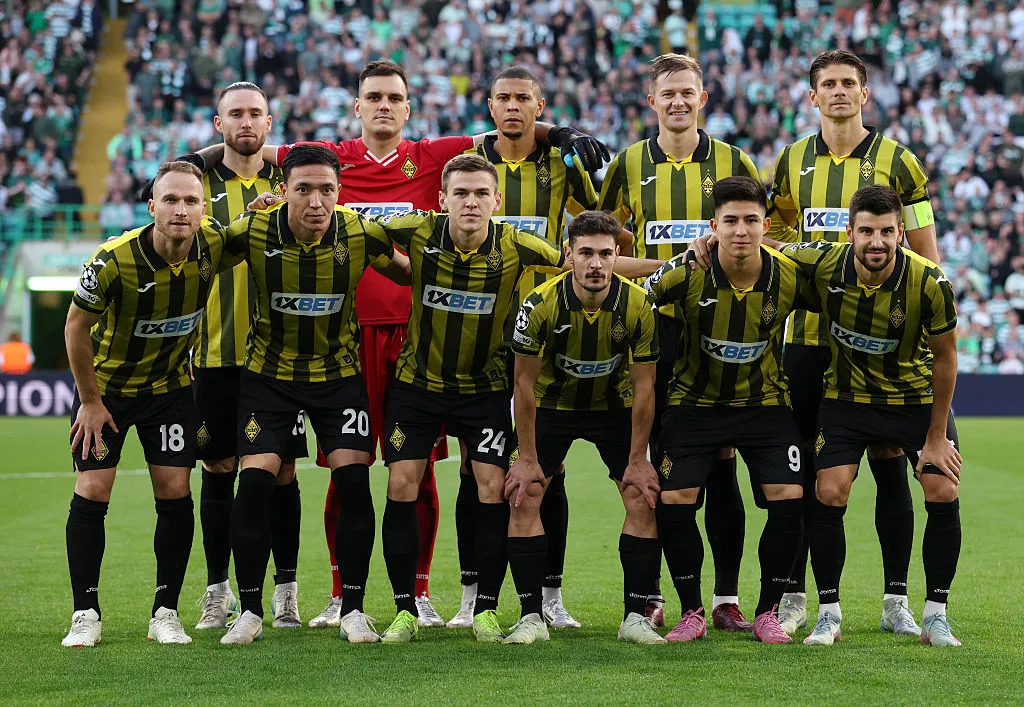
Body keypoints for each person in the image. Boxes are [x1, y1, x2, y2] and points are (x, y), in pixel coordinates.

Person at [194, 60, 609, 628]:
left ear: (408, 108)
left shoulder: (435, 155)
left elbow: (509, 127)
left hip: (414, 332)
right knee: (358, 468)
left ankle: (421, 591)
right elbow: (252, 143)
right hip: (345, 335)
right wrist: (192, 164)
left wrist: (559, 133)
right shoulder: (330, 157)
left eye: (394, 97)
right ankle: (344, 593)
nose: (384, 106)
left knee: (421, 470)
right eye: (373, 97)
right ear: (357, 107)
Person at [370, 154, 660, 644]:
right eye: (460, 193)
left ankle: (486, 609)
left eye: (482, 193)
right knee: (402, 483)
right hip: (418, 384)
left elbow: (584, 259)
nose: (471, 202)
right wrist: (400, 268)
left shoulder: (519, 244)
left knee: (492, 486)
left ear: (496, 202)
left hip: (484, 388)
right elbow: (355, 230)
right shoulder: (416, 231)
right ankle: (404, 611)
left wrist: (674, 263)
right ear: (442, 200)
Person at [766, 50, 941, 636]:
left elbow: (925, 256)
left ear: (865, 94)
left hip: (883, 348)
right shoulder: (791, 161)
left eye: (849, 83)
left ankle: (896, 602)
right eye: (828, 84)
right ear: (812, 96)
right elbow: (780, 246)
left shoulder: (900, 161)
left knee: (892, 469)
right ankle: (797, 599)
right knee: (811, 473)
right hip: (810, 344)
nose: (839, 92)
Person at [216, 144, 410, 645]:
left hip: (338, 376)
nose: (316, 201)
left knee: (353, 482)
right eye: (303, 189)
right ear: (282, 192)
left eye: (327, 189)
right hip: (268, 377)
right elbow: (200, 258)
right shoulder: (254, 231)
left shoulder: (362, 233)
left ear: (340, 191)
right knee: (254, 485)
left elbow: (411, 274)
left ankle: (353, 608)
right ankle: (252, 610)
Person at [599, 52, 762, 631]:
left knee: (722, 466)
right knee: (662, 470)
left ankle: (724, 599)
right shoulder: (627, 166)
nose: (677, 102)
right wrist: (671, 266)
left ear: (703, 98)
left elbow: (764, 239)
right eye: (667, 93)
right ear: (652, 101)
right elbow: (601, 253)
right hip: (654, 331)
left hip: (719, 329)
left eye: (687, 92)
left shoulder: (733, 161)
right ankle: (659, 597)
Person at [777, 185, 962, 647]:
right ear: (849, 232)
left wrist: (936, 437)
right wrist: (712, 242)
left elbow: (946, 359)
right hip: (847, 399)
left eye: (885, 232)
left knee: (941, 486)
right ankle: (829, 613)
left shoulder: (930, 281)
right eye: (865, 232)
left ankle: (936, 614)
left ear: (901, 232)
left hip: (912, 400)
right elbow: (772, 245)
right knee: (829, 490)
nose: (875, 242)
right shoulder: (824, 261)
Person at [451, 65, 599, 630]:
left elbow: (603, 223)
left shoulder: (560, 164)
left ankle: (550, 596)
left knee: (548, 470)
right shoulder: (467, 160)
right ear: (489, 106)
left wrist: (564, 138)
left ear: (540, 106)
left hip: (547, 335)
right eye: (504, 98)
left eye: (524, 99)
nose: (513, 107)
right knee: (475, 467)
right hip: (481, 336)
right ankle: (472, 595)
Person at [61, 161, 230, 647]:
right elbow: (75, 327)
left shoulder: (214, 245)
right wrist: (90, 402)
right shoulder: (112, 259)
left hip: (171, 390)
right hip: (108, 391)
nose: (181, 210)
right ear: (152, 205)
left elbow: (252, 236)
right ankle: (85, 613)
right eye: (171, 200)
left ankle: (166, 611)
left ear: (203, 209)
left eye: (191, 201)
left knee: (174, 491)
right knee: (93, 490)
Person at [644, 176, 812, 644]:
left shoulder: (790, 274)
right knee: (674, 499)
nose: (741, 231)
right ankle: (692, 610)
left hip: (764, 403)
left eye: (751, 221)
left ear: (765, 224)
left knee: (789, 496)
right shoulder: (686, 270)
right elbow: (635, 305)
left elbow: (839, 301)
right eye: (731, 221)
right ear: (713, 225)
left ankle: (767, 612)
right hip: (694, 404)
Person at [503, 210, 663, 645]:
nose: (596, 264)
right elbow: (524, 383)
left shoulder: (638, 304)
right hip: (553, 405)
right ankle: (531, 616)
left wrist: (637, 460)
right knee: (525, 494)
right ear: (569, 254)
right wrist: (528, 458)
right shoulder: (539, 304)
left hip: (614, 406)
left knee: (642, 496)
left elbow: (646, 386)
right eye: (586, 253)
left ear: (617, 256)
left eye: (605, 255)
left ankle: (635, 617)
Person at [191, 81, 308, 633]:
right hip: (214, 353)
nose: (245, 122)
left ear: (270, 122)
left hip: (279, 360)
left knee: (282, 472)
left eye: (255, 113)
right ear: (219, 125)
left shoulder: (292, 182)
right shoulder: (195, 182)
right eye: (234, 114)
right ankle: (218, 592)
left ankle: (285, 592)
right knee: (217, 469)